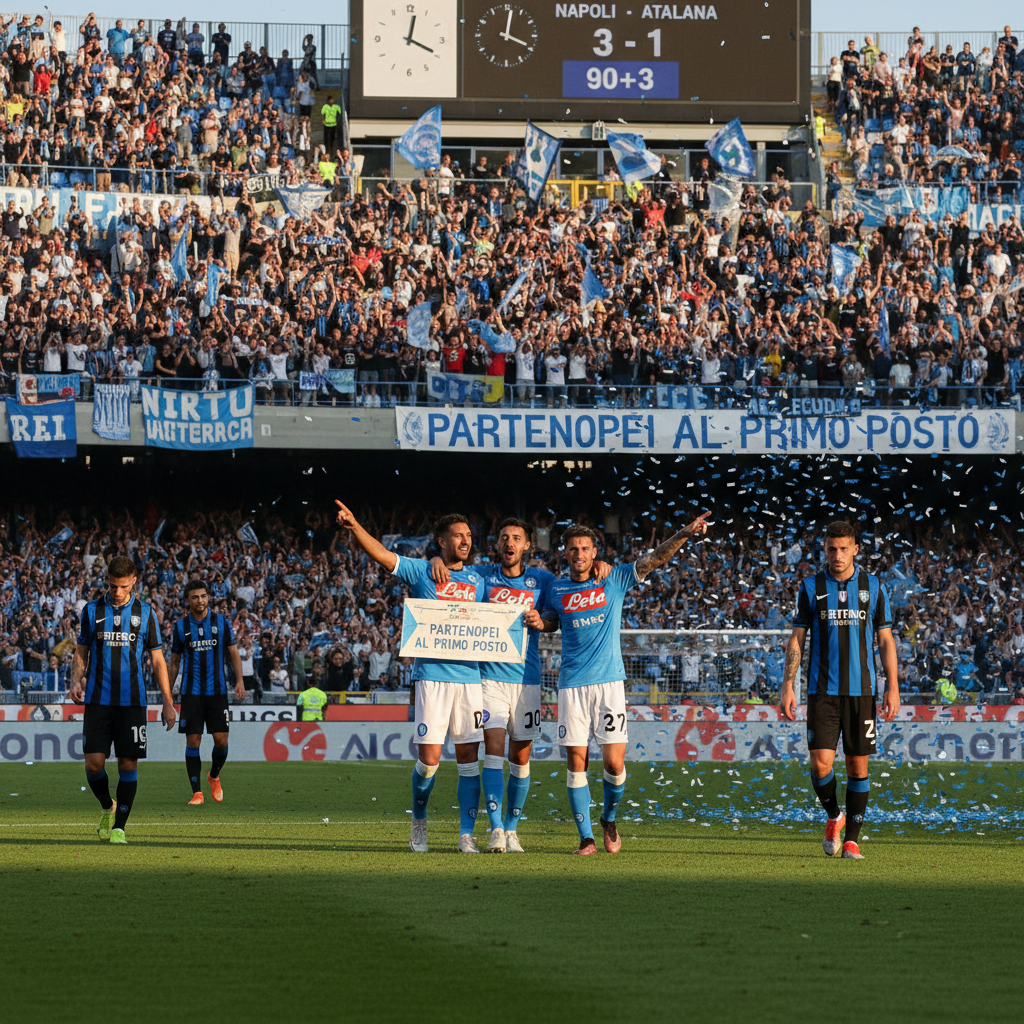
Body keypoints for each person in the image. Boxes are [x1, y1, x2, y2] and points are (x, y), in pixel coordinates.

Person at [525, 511, 711, 854]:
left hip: (610, 683)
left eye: (584, 548)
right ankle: (586, 838)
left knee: (614, 764)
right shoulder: (556, 588)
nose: (579, 554)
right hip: (571, 686)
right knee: (576, 762)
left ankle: (608, 818)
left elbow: (655, 559)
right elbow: (552, 622)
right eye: (573, 549)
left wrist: (683, 533)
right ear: (565, 554)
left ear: (595, 552)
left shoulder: (613, 579)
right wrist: (541, 622)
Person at [430, 518, 602, 852]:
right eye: (504, 538)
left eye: (517, 538)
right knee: (493, 749)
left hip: (527, 681)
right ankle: (495, 830)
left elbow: (555, 618)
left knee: (520, 760)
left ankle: (511, 829)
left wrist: (543, 621)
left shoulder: (544, 581)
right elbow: (452, 571)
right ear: (497, 545)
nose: (510, 543)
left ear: (527, 546)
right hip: (489, 678)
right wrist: (436, 560)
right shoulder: (482, 576)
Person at [335, 501, 487, 853]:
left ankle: (467, 834)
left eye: (468, 535)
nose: (465, 540)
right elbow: (384, 556)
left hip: (470, 678)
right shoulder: (422, 571)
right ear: (441, 541)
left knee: (469, 760)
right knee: (429, 761)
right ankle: (419, 822)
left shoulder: (480, 579)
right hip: (432, 677)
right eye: (457, 536)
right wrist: (355, 526)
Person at [779, 520, 899, 861]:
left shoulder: (873, 586)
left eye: (844, 548)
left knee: (857, 768)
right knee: (820, 766)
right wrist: (788, 684)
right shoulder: (810, 586)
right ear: (825, 549)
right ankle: (834, 816)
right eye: (832, 548)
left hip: (862, 692)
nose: (837, 555)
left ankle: (852, 841)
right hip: (822, 691)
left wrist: (893, 686)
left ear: (856, 549)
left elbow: (886, 640)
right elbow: (797, 639)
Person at [69, 555, 176, 845]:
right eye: (113, 586)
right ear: (108, 581)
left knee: (128, 763)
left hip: (132, 702)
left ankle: (120, 828)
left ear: (133, 582)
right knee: (93, 764)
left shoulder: (146, 613)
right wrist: (75, 680)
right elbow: (81, 652)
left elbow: (157, 660)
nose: (118, 592)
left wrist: (167, 701)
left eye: (123, 586)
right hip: (97, 699)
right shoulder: (92, 611)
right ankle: (107, 805)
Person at [167, 579, 245, 805]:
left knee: (221, 741)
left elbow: (233, 652)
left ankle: (214, 775)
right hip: (191, 693)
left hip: (218, 691)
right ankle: (197, 792)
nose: (199, 601)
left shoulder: (221, 622)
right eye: (194, 597)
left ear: (208, 597)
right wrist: (168, 694)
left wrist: (239, 680)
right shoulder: (181, 627)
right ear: (187, 600)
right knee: (193, 741)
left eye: (202, 596)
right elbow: (174, 662)